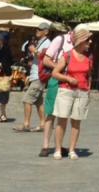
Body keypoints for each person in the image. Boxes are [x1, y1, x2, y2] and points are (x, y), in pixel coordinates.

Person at [50, 26, 93, 158]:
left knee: (76, 122)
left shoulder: (89, 58)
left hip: (82, 92)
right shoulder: (67, 55)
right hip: (66, 90)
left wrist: (88, 88)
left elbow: (89, 75)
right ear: (81, 41)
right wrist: (68, 78)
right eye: (88, 40)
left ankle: (72, 150)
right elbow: (55, 73)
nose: (90, 42)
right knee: (62, 120)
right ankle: (58, 149)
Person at [16, 23, 50, 133]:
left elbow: (45, 58)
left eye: (40, 29)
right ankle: (43, 124)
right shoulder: (40, 42)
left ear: (46, 31)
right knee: (39, 102)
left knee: (27, 100)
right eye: (37, 29)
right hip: (35, 75)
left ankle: (26, 124)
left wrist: (33, 50)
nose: (37, 31)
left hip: (39, 76)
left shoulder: (47, 43)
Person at [37, 26, 65, 157]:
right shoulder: (60, 40)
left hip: (68, 83)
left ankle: (58, 145)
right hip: (55, 81)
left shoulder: (79, 46)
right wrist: (60, 68)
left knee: (63, 116)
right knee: (50, 113)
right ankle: (45, 145)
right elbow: (46, 60)